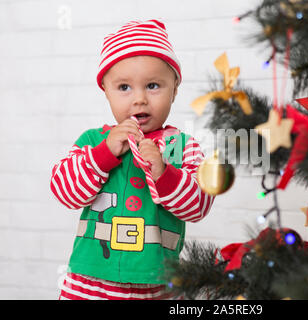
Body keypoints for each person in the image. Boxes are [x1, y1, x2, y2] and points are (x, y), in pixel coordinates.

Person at [50, 19, 214, 300]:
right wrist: (104, 154)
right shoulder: (94, 141)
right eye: (124, 87)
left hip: (158, 285)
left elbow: (198, 205)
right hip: (90, 282)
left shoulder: (180, 146)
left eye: (153, 85)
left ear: (174, 89)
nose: (139, 99)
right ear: (106, 91)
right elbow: (64, 191)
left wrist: (163, 172)